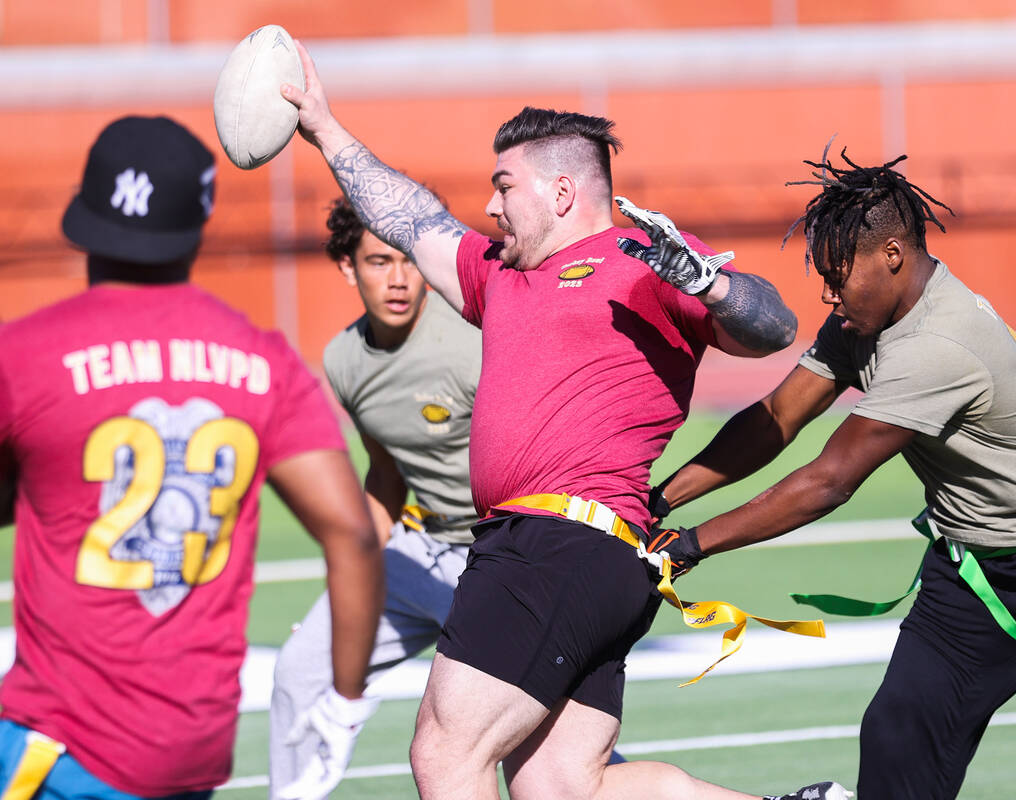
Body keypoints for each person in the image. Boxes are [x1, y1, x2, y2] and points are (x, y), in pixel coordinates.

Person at [279, 43, 848, 800]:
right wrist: (323, 127)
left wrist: (712, 286)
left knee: (446, 756)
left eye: (502, 186)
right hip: (585, 557)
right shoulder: (500, 273)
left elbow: (772, 329)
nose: (490, 206)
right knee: (560, 786)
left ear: (557, 190)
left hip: (555, 544)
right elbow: (410, 216)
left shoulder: (643, 258)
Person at [0, 115, 384, 800]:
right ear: (198, 223)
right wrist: (346, 700)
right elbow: (352, 534)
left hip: (64, 744)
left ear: (84, 218)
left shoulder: (13, 356)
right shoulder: (262, 359)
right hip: (193, 752)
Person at [649, 145, 1016, 798]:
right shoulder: (869, 315)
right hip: (977, 571)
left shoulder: (936, 346)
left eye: (837, 275)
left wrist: (693, 546)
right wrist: (662, 499)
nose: (829, 294)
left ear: (893, 256)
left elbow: (830, 479)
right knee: (899, 740)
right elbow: (777, 418)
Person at [269, 197, 481, 799]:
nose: (397, 278)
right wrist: (352, 580)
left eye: (409, 260)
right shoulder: (342, 361)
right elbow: (385, 474)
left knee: (540, 732)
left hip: (502, 556)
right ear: (347, 267)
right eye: (377, 261)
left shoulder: (473, 333)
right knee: (299, 673)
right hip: (418, 551)